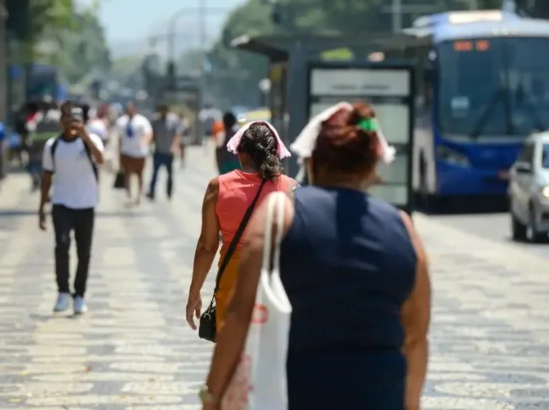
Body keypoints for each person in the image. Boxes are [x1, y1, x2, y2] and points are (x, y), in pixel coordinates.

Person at [197, 102, 431, 410]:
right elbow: (415, 336)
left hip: (296, 393)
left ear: (312, 161)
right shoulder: (403, 228)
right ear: (372, 167)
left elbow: (240, 315)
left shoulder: (280, 215)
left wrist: (212, 395)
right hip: (378, 394)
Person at [185, 120, 297, 334]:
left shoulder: (218, 187)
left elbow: (207, 247)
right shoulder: (290, 188)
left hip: (233, 282)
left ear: (241, 153)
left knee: (233, 355)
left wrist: (194, 293)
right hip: (275, 282)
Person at [38, 101, 105, 315]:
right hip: (61, 204)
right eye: (66, 116)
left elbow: (101, 159)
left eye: (75, 117)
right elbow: (47, 176)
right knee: (62, 244)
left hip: (86, 205)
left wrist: (85, 136)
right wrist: (41, 208)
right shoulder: (53, 145)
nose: (70, 121)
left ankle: (79, 295)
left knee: (84, 253)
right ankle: (63, 292)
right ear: (61, 120)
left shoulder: (90, 140)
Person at [116, 102, 152, 205]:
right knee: (127, 174)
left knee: (139, 174)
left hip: (139, 153)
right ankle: (128, 194)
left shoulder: (142, 121)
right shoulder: (121, 122)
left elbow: (148, 133)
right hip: (126, 152)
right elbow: (119, 138)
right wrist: (119, 153)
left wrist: (144, 142)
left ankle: (139, 195)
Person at [147, 104, 181, 201]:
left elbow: (176, 135)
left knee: (170, 174)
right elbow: (152, 134)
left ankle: (169, 192)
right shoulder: (155, 121)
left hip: (168, 152)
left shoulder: (173, 121)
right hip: (158, 151)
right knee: (155, 173)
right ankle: (152, 192)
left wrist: (174, 147)